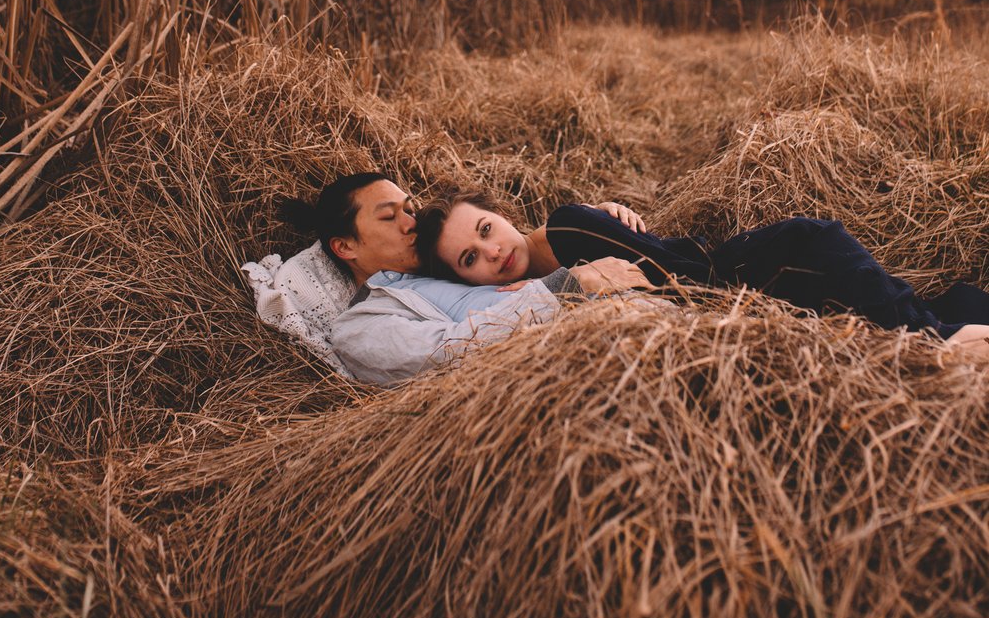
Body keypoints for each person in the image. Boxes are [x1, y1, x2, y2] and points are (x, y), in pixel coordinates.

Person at [278, 173, 989, 384]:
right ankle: (938, 344)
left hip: (640, 291)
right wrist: (564, 288)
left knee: (828, 258)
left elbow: (503, 254)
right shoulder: (366, 320)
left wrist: (577, 234)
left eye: (410, 209)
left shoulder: (443, 265)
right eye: (388, 216)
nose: (408, 222)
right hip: (628, 321)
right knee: (814, 248)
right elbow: (443, 353)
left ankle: (947, 326)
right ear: (344, 245)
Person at [416, 189, 989, 358]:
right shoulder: (528, 297)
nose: (490, 252)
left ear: (501, 215)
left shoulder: (567, 229)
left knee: (921, 333)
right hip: (747, 294)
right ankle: (952, 325)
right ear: (465, 281)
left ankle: (938, 343)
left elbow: (682, 284)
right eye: (469, 259)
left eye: (485, 228)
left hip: (755, 272)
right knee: (946, 308)